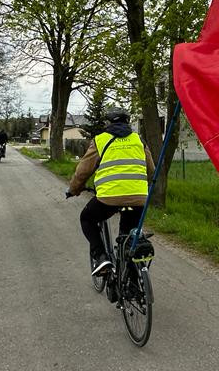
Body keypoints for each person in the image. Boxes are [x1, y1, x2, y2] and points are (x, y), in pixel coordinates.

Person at [66, 108, 155, 276]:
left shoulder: (100, 140)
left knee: (87, 218)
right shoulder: (139, 140)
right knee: (129, 236)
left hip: (108, 199)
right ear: (128, 122)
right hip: (138, 197)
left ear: (108, 123)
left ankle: (101, 257)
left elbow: (83, 172)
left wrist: (74, 189)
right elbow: (151, 170)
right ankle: (132, 278)